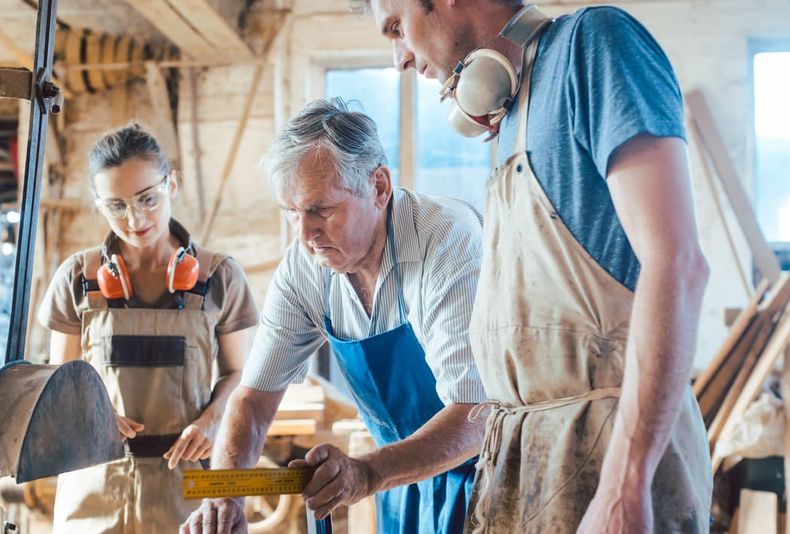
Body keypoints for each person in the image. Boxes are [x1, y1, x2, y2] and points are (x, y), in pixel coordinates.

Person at [361, 0, 713, 532]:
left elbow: (678, 263)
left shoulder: (593, 46)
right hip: (528, 460)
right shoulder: (509, 111)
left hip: (609, 457)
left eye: (396, 26)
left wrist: (624, 486)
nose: (399, 59)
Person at [181, 97, 487, 534]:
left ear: (379, 187)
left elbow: (477, 411)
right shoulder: (306, 265)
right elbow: (251, 400)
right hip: (401, 479)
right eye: (292, 213)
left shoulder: (446, 241)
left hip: (484, 470)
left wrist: (367, 473)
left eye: (320, 209)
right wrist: (225, 497)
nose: (305, 234)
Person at [37, 123, 258, 533]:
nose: (135, 218)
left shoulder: (219, 276)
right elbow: (60, 382)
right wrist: (93, 412)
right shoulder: (77, 278)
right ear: (98, 204)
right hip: (95, 485)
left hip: (186, 488)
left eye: (147, 199)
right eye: (116, 205)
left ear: (171, 183)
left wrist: (212, 419)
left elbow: (238, 374)